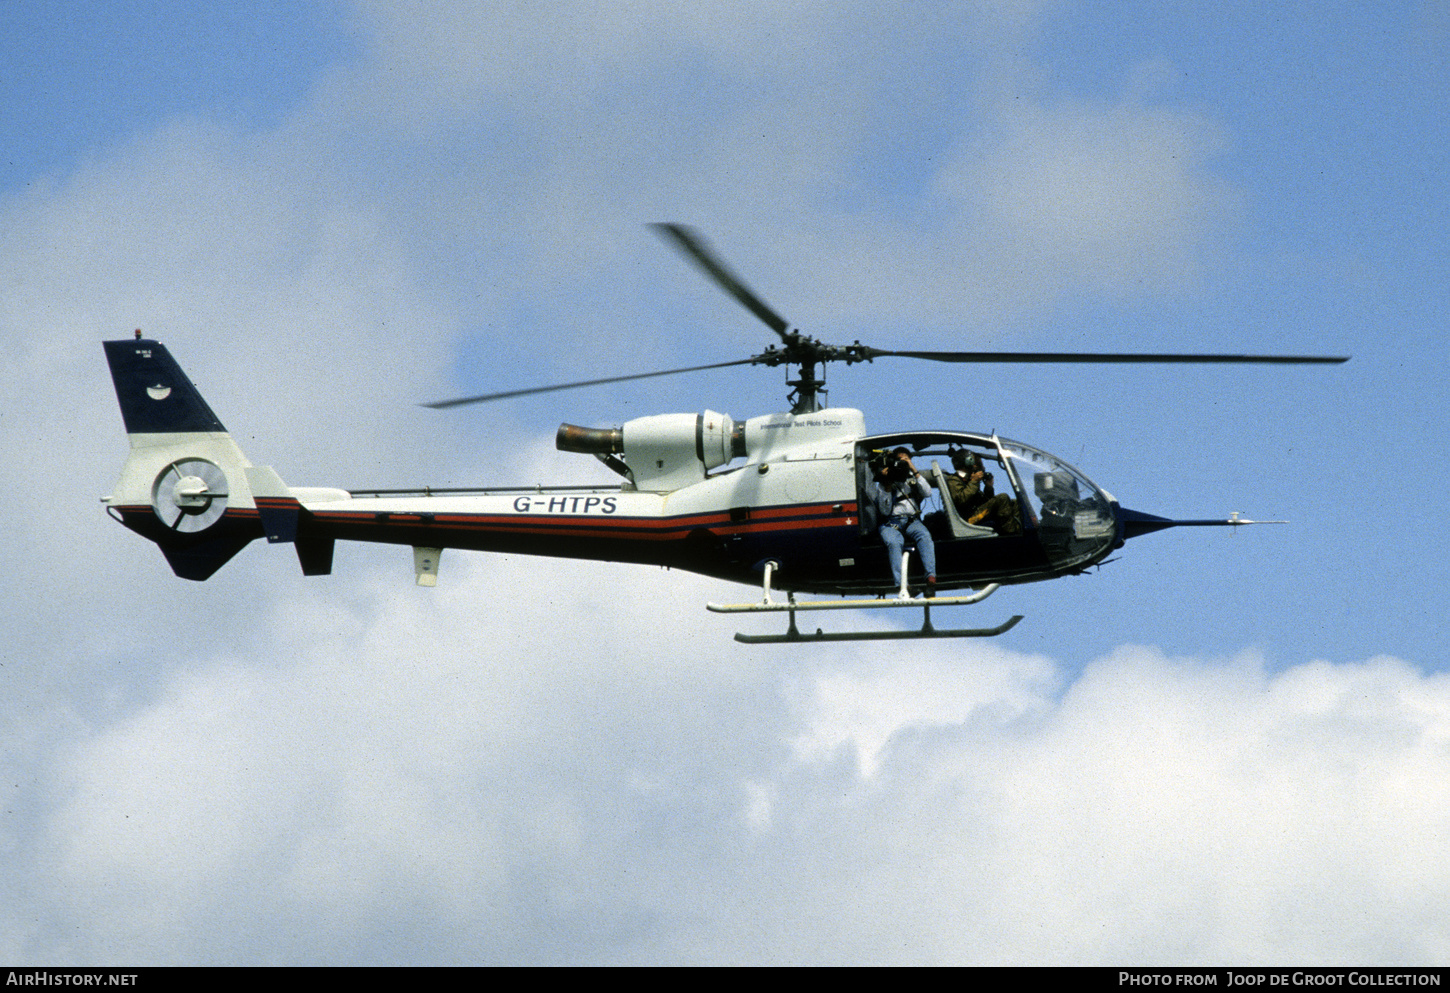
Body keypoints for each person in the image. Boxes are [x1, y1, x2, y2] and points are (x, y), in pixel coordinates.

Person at [871, 447, 937, 597]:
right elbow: (884, 510)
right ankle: (902, 585)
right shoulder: (883, 484)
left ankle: (931, 579)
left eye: (905, 461)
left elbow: (927, 492)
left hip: (912, 520)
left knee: (925, 537)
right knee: (894, 543)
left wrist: (912, 468)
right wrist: (887, 486)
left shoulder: (911, 479)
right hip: (891, 523)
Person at [945, 450, 1020, 534]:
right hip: (970, 518)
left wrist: (988, 487)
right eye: (973, 461)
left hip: (978, 513)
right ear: (966, 462)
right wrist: (974, 481)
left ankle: (1019, 530)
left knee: (1015, 503)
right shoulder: (954, 480)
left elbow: (986, 502)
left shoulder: (969, 479)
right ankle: (1011, 534)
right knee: (1002, 498)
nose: (975, 465)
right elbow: (961, 499)